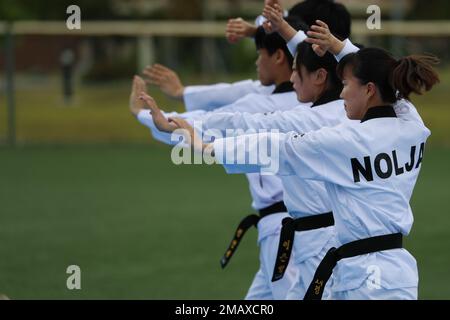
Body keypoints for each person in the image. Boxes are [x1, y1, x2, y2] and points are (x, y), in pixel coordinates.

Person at [159, 41, 439, 300]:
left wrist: (209, 148)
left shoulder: (346, 142)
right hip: (392, 273)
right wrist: (342, 48)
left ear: (368, 90)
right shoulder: (411, 125)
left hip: (365, 281)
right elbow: (393, 87)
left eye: (346, 84)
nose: (341, 92)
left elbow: (278, 148)